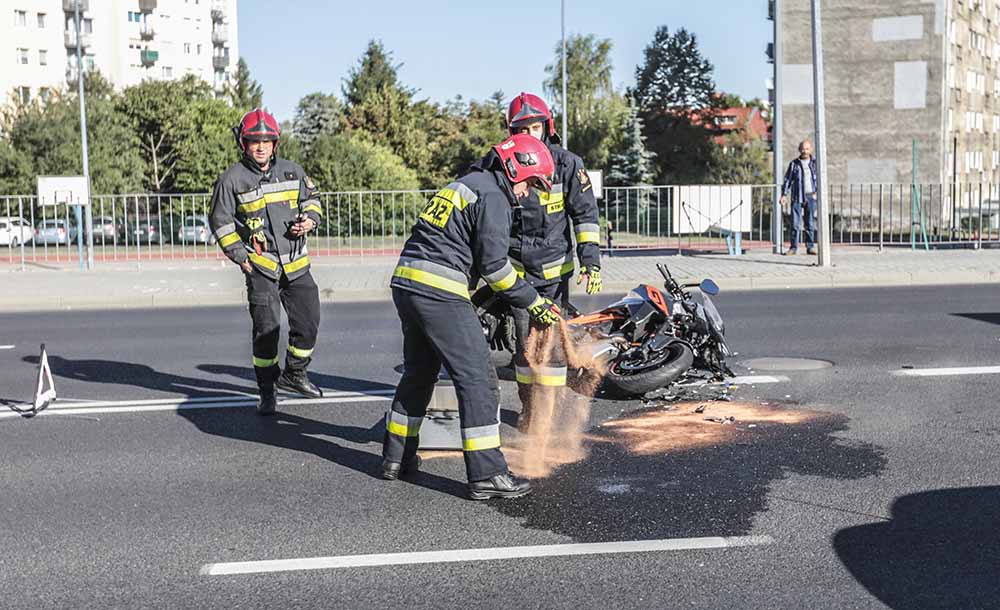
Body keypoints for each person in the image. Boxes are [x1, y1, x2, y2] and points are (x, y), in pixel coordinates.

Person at [382, 133, 561, 500]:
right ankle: (487, 474)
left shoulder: (466, 184)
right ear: (516, 169)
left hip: (407, 283)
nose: (528, 194)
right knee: (478, 380)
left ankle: (395, 457)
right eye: (531, 184)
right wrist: (534, 302)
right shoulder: (494, 196)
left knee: (419, 373)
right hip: (440, 291)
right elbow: (495, 268)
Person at [209, 108, 325, 416]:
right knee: (266, 331)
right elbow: (220, 222)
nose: (261, 147)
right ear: (243, 143)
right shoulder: (231, 179)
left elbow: (312, 200)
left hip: (296, 265)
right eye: (254, 141)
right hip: (261, 267)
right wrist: (241, 258)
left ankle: (295, 374)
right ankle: (267, 390)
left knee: (309, 321)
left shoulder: (292, 171)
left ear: (275, 143)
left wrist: (309, 220)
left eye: (266, 141)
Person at [505, 92, 602, 430]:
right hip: (517, 276)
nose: (529, 135)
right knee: (525, 347)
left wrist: (591, 262)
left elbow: (585, 215)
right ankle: (529, 408)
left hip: (555, 276)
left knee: (554, 347)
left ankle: (547, 414)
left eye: (534, 127)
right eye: (522, 129)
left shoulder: (567, 164)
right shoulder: (504, 164)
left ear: (547, 127)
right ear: (512, 132)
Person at [780, 139, 819, 255]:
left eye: (807, 149)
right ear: (799, 149)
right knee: (795, 224)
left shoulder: (815, 163)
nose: (804, 151)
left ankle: (810, 247)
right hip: (797, 196)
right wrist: (784, 195)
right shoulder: (794, 164)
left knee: (809, 223)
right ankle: (793, 248)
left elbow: (821, 179)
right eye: (802, 149)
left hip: (811, 196)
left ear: (811, 149)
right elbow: (788, 180)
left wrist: (817, 192)